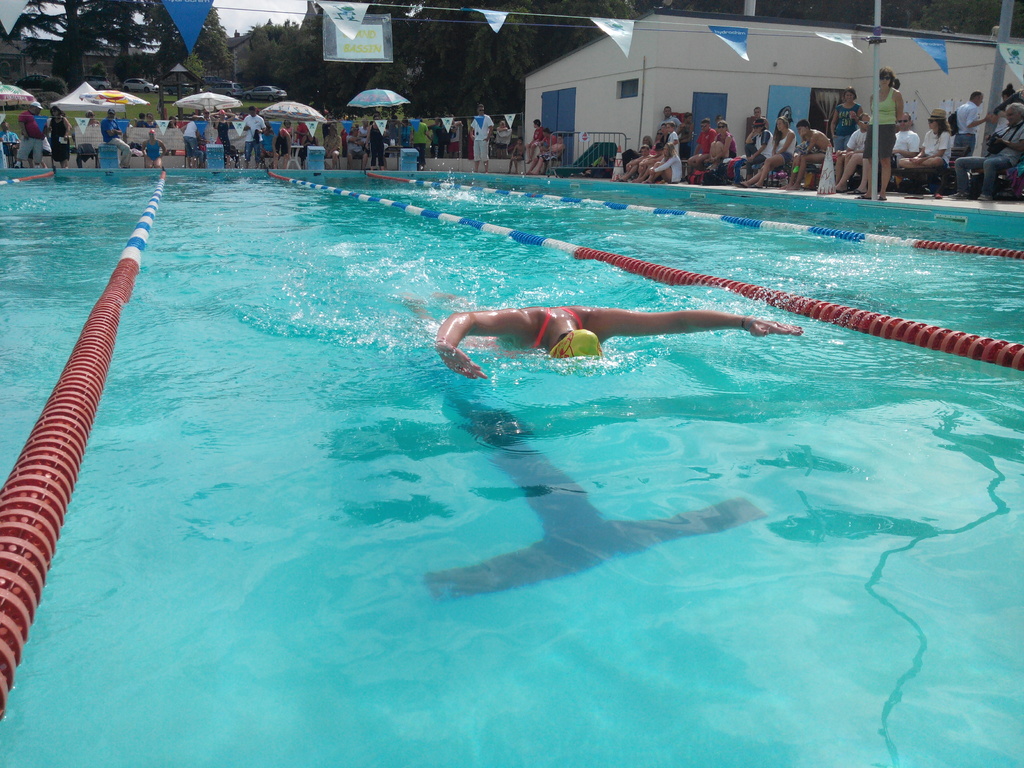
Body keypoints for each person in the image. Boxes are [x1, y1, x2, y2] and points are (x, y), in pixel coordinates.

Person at [434, 306, 803, 379]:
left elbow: (677, 321)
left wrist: (743, 322)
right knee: (439, 326)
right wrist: (446, 346)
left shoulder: (599, 322)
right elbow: (464, 318)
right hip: (497, 346)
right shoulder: (526, 323)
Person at [952, 102, 1024, 201]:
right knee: (960, 162)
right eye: (1007, 115)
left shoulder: (1022, 128)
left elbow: (1021, 147)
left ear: (1020, 114)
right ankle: (962, 192)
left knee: (989, 163)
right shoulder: (1007, 128)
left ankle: (986, 194)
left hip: (1009, 159)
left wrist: (1003, 141)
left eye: (1011, 115)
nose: (1008, 118)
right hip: (993, 156)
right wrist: (991, 139)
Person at [859, 66, 904, 200]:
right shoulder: (873, 95)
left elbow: (899, 114)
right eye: (881, 77)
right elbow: (873, 112)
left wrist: (889, 122)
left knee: (885, 159)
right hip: (873, 126)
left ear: (891, 79)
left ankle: (883, 191)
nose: (884, 80)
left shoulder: (896, 94)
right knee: (870, 159)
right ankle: (870, 191)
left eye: (887, 77)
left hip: (887, 127)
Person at [898, 108, 951, 195]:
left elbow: (940, 153)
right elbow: (923, 151)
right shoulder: (928, 134)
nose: (929, 123)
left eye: (931, 121)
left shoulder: (945, 134)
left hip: (939, 160)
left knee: (936, 160)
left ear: (938, 122)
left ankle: (917, 165)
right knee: (901, 161)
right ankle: (919, 164)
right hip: (926, 160)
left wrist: (922, 160)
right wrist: (917, 157)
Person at [740, 116, 796, 188]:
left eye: (780, 124)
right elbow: (774, 148)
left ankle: (760, 183)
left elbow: (785, 148)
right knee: (764, 168)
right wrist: (774, 154)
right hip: (777, 155)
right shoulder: (778, 134)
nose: (778, 126)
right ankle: (748, 183)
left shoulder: (790, 133)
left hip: (786, 155)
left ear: (785, 124)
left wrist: (775, 155)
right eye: (777, 124)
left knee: (768, 161)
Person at [785, 120, 832, 191]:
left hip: (826, 154)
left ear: (806, 127)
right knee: (796, 158)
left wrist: (799, 154)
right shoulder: (806, 136)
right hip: (816, 153)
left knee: (803, 158)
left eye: (800, 129)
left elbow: (806, 151)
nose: (799, 131)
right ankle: (791, 183)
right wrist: (797, 155)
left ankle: (797, 183)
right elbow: (802, 148)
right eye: (798, 130)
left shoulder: (815, 135)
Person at [834, 115, 869, 193]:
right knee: (841, 156)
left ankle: (842, 183)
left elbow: (868, 150)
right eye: (866, 122)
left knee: (853, 156)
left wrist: (854, 152)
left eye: (869, 122)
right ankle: (839, 183)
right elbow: (849, 149)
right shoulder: (856, 134)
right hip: (858, 154)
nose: (868, 124)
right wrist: (842, 152)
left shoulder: (871, 133)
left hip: (866, 156)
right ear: (860, 123)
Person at [18, 101, 46, 168]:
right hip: (28, 137)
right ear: (33, 107)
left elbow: (44, 127)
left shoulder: (40, 117)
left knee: (38, 153)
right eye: (38, 109)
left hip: (38, 138)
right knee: (23, 150)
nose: (39, 110)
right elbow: (21, 123)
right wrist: (25, 133)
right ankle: (18, 163)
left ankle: (37, 165)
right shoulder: (25, 114)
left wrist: (44, 135)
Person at [470, 103, 494, 173]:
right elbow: (471, 128)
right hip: (476, 139)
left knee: (484, 156)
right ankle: (476, 170)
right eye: (480, 110)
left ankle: (486, 170)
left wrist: (488, 137)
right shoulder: (476, 118)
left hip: (484, 139)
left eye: (483, 110)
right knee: (476, 156)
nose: (481, 111)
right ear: (478, 110)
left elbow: (491, 128)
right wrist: (471, 135)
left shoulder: (487, 118)